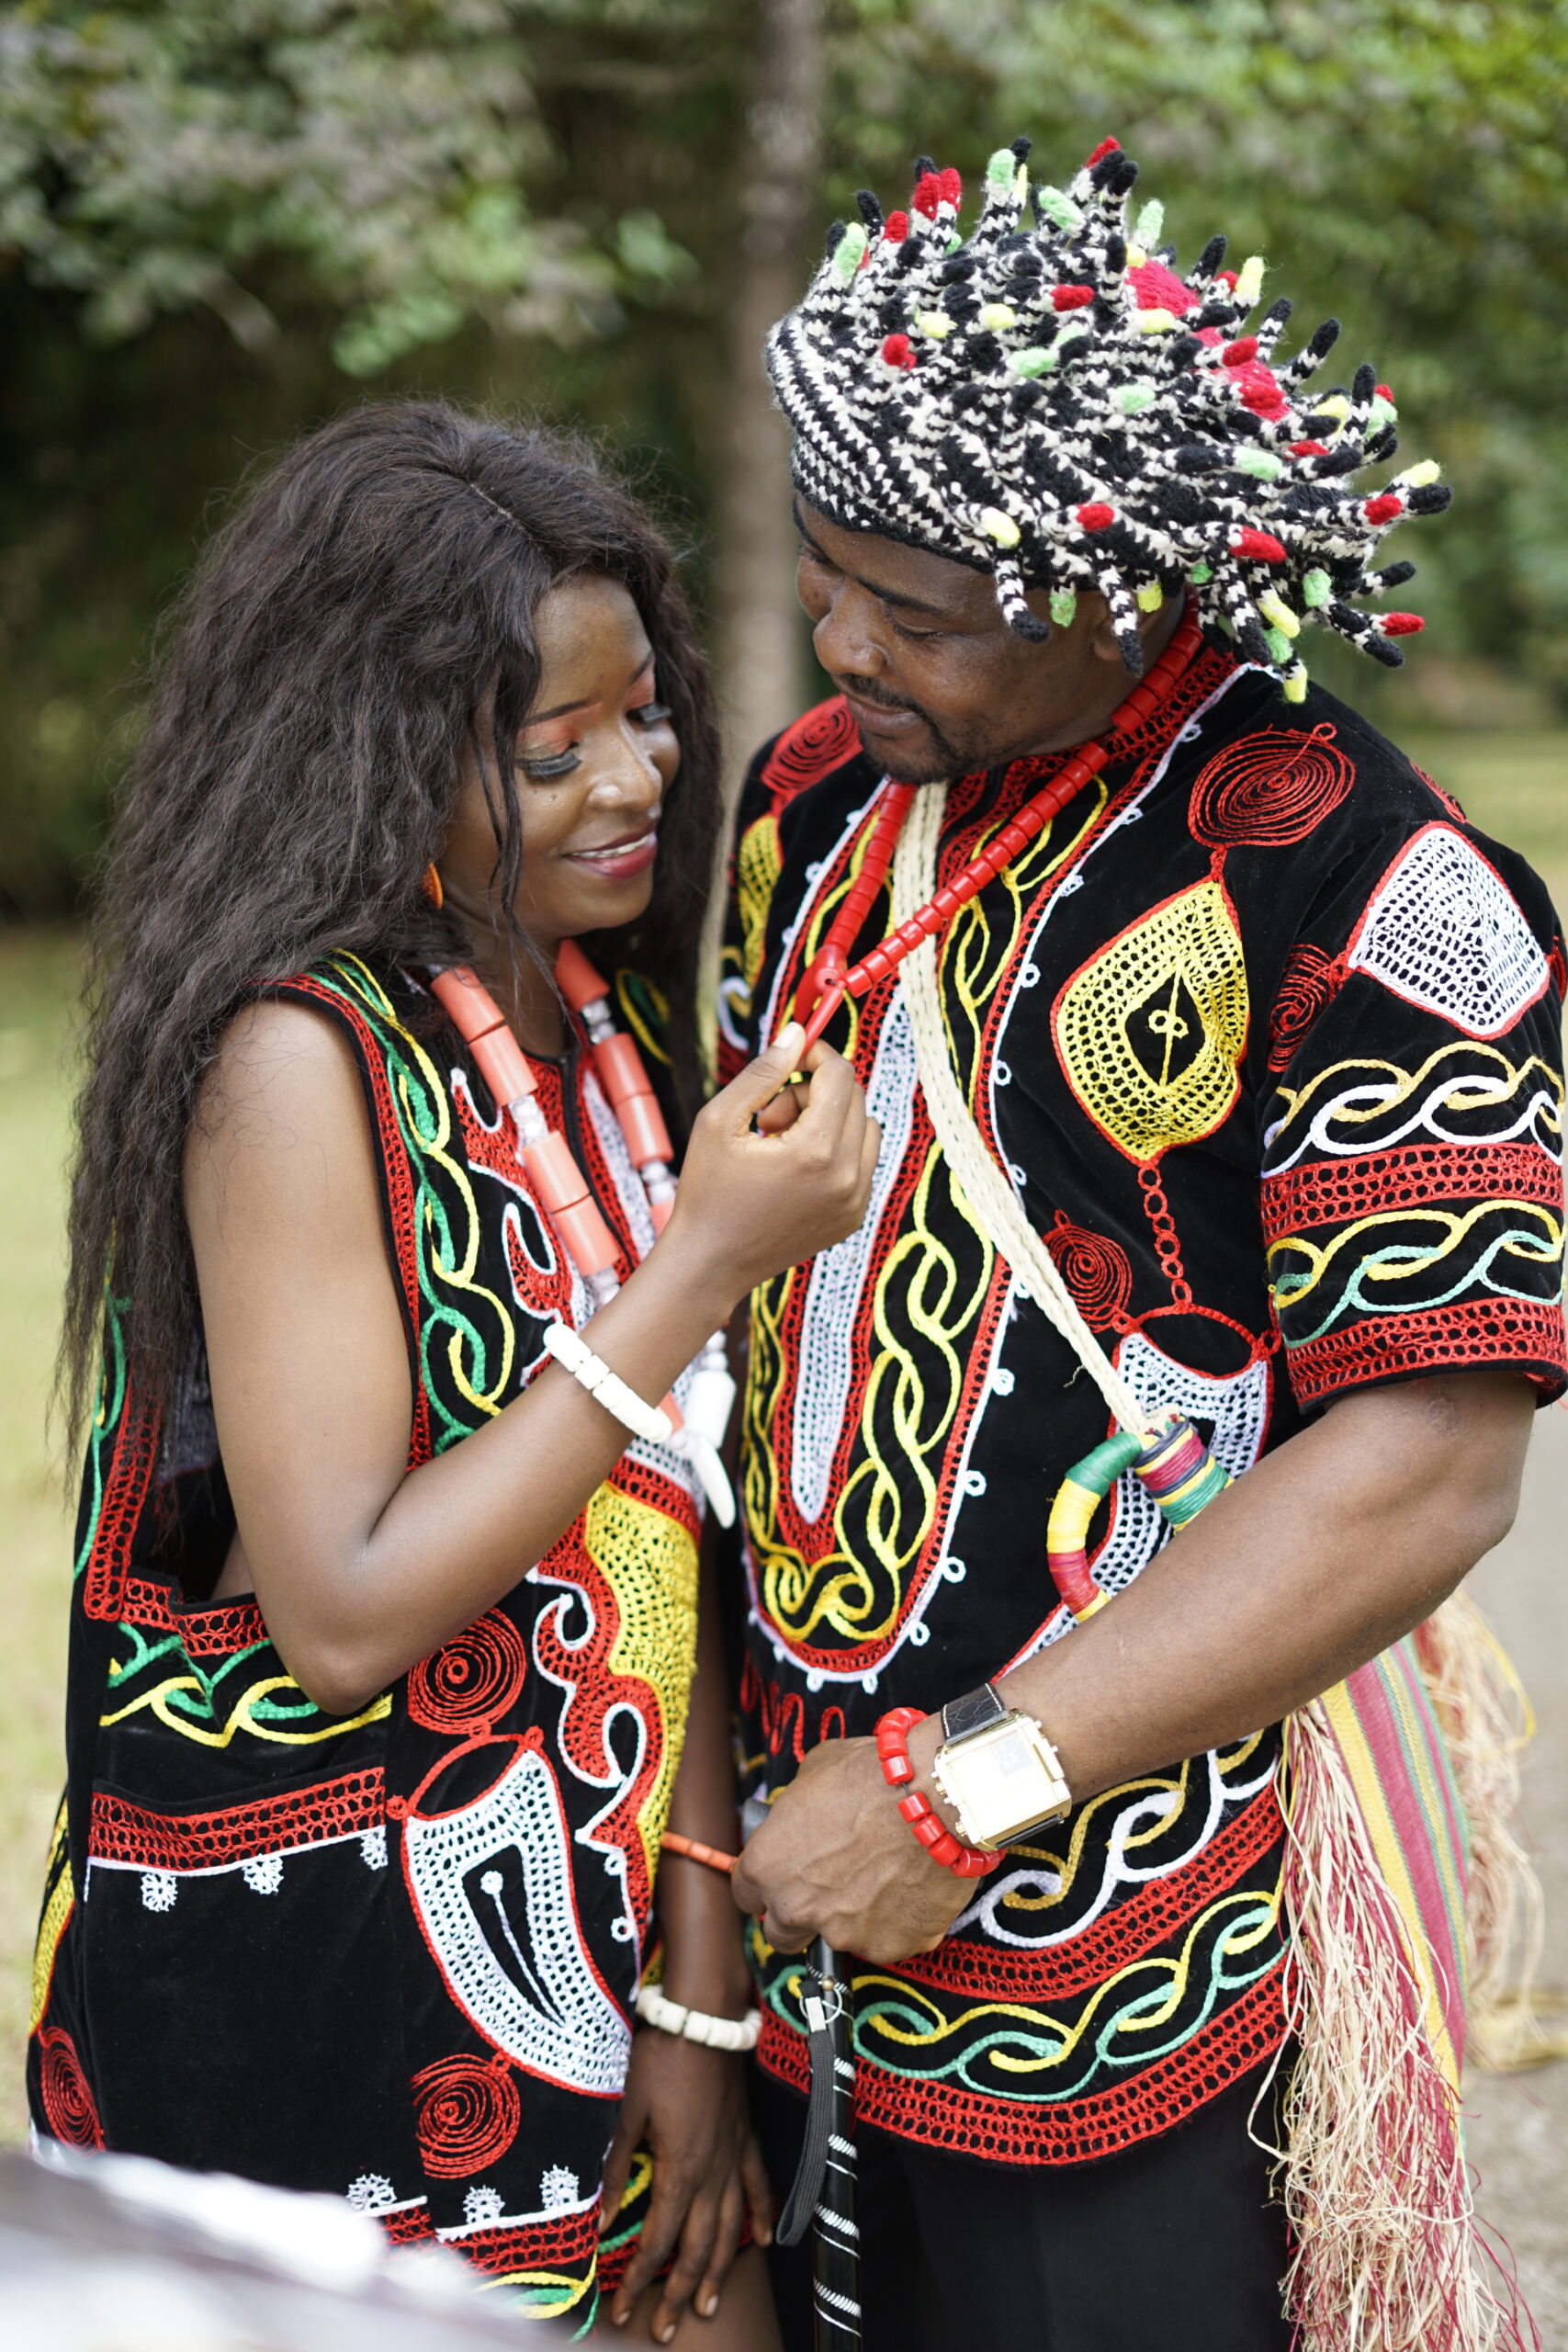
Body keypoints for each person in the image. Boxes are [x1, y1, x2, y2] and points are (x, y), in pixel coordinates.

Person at [720, 139, 1567, 2350]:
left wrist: (962, 1784)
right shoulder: (813, 794)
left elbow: (1425, 1463)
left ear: (1113, 586)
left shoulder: (1371, 887)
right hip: (763, 1885)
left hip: (1113, 1946)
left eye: (909, 610)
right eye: (825, 577)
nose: (839, 643)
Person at [31, 401, 881, 2342]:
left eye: (643, 713)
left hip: (595, 1968)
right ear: (375, 759)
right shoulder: (292, 1062)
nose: (631, 779)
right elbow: (340, 1605)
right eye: (545, 747)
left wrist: (690, 1986)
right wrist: (701, 1267)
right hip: (326, 2008)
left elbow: (669, 1539)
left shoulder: (583, 1026)